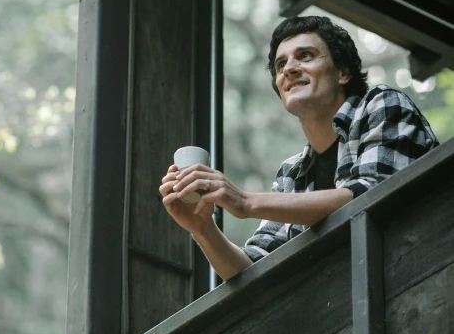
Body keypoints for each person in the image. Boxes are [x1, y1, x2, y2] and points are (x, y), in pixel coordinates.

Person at [158, 16, 439, 281]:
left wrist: (245, 202)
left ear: (342, 72)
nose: (289, 69)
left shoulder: (381, 104)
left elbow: (371, 196)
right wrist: (203, 229)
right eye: (281, 65)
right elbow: (252, 271)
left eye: (305, 56)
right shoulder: (292, 173)